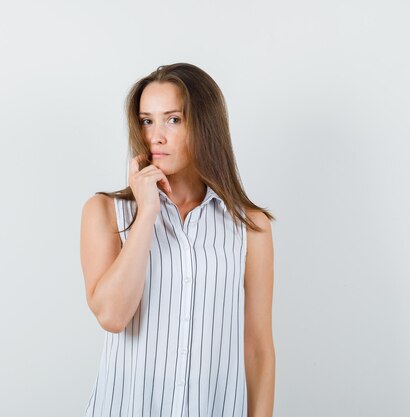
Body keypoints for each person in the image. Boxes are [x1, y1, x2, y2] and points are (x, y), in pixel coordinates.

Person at [80, 63, 275, 417]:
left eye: (173, 119)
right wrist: (148, 212)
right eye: (146, 120)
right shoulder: (106, 212)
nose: (156, 135)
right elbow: (112, 315)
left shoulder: (250, 227)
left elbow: (257, 348)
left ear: (205, 125)